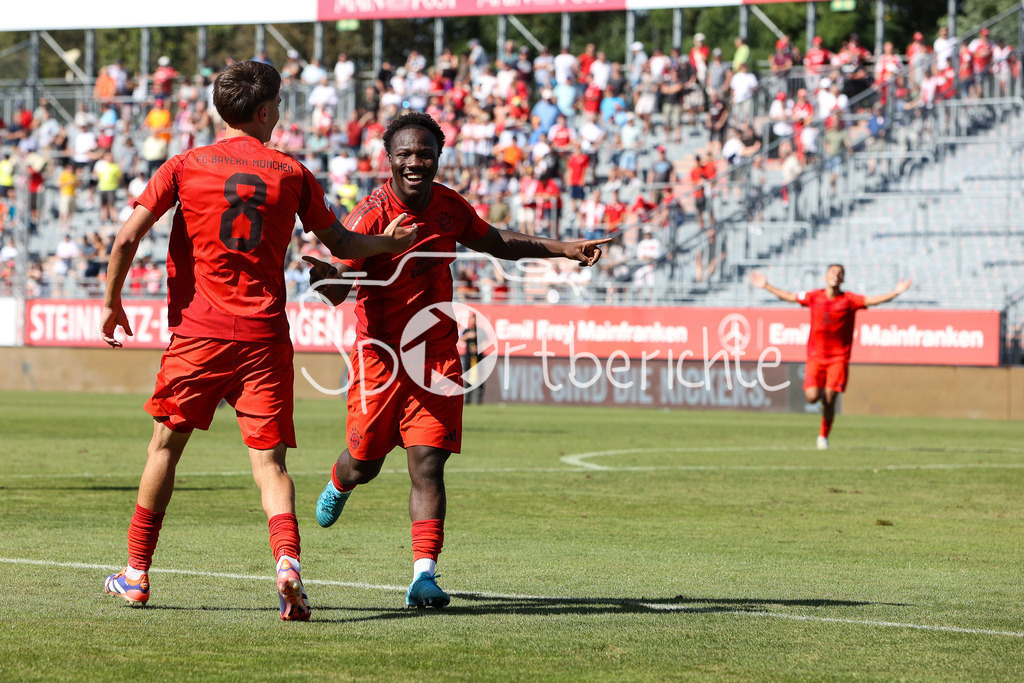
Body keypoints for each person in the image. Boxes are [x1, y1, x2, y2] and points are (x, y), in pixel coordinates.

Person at [98, 60, 417, 621]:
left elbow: (126, 239)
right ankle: (288, 566)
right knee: (270, 466)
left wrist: (111, 302)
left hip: (198, 334)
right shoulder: (291, 173)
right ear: (266, 112)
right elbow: (341, 240)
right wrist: (389, 246)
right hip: (265, 337)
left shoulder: (184, 165)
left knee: (163, 450)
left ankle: (136, 574)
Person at [305, 111, 610, 609]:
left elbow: (497, 243)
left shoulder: (449, 206)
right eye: (404, 153)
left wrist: (565, 249)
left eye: (424, 153)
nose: (415, 162)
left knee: (428, 464)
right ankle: (340, 481)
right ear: (389, 159)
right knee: (365, 463)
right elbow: (340, 286)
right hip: (380, 360)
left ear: (438, 157)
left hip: (437, 357)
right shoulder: (370, 215)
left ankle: (423, 576)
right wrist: (324, 277)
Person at [749, 265, 911, 449]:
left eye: (840, 274)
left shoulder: (848, 300)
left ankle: (823, 435)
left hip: (838, 358)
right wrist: (767, 285)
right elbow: (791, 297)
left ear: (843, 279)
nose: (836, 275)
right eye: (833, 272)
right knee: (811, 397)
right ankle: (820, 406)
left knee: (830, 398)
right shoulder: (814, 296)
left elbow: (872, 301)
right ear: (826, 276)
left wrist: (895, 293)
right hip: (815, 357)